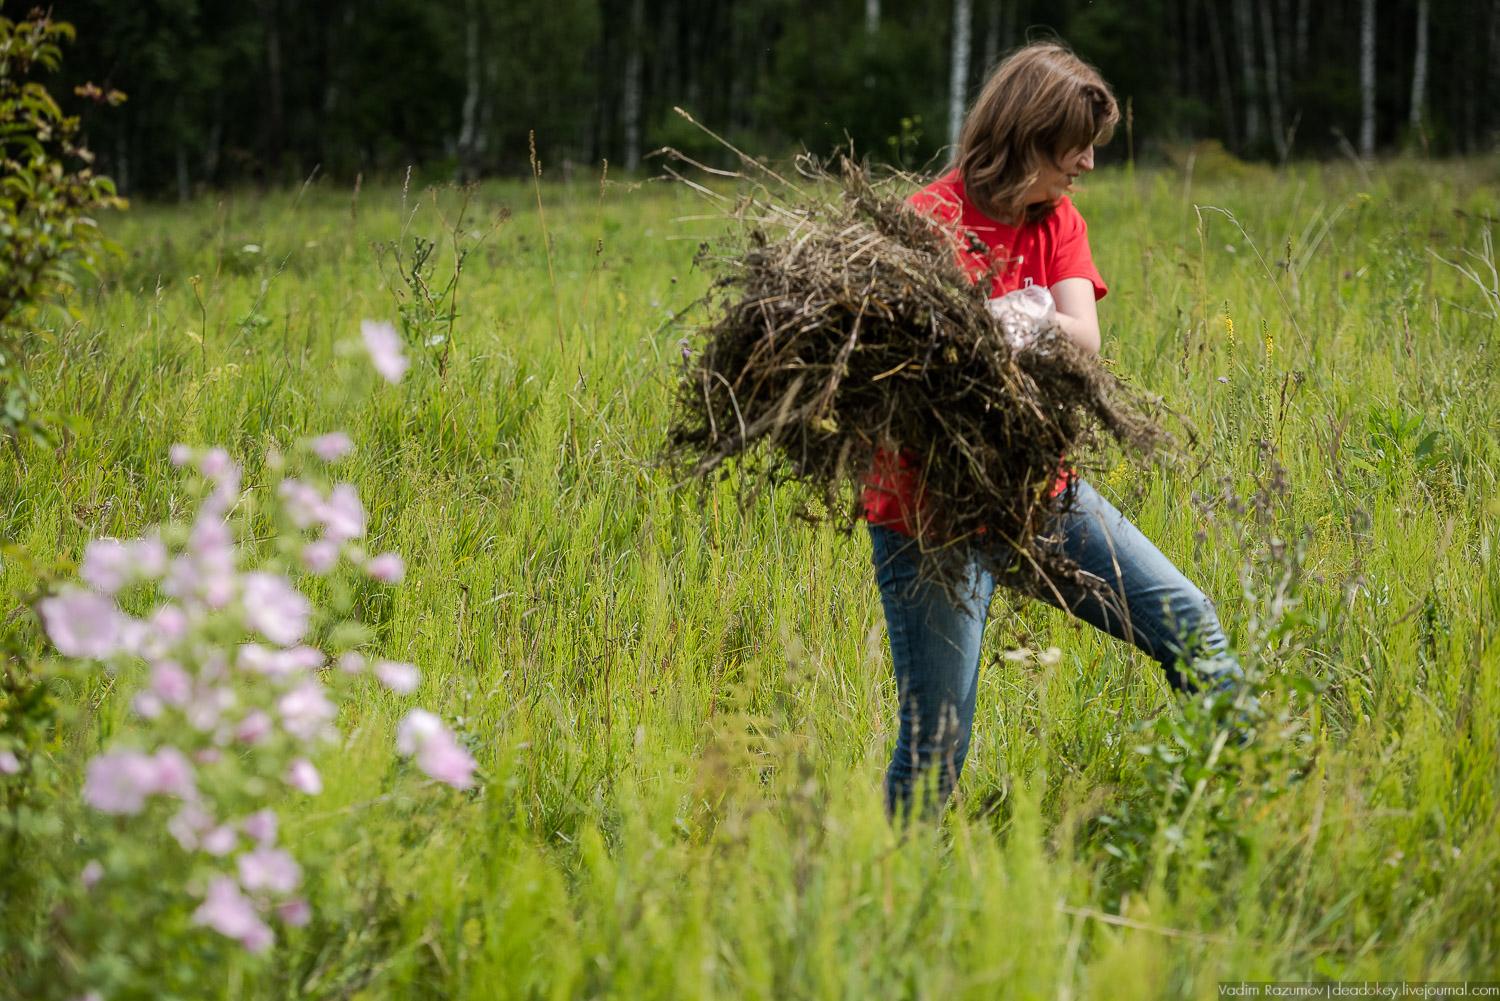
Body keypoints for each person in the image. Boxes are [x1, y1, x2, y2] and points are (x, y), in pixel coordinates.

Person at [862, 42, 1250, 822]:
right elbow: (890, 373)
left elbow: (1084, 336)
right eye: (1077, 146)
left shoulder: (1058, 220)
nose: (1089, 165)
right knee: (938, 737)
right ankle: (889, 895)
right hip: (930, 513)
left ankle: (1243, 807)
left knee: (1191, 623)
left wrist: (1016, 323)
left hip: (1041, 491)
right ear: (1028, 134)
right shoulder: (921, 224)